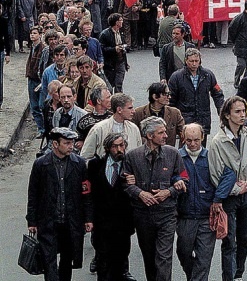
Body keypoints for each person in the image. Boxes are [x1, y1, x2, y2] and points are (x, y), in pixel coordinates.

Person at [123, 116, 186, 281]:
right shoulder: (132, 156)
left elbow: (183, 178)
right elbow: (125, 184)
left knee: (164, 257)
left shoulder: (173, 154)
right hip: (143, 215)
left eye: (165, 132)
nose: (166, 135)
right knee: (149, 256)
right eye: (161, 132)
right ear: (150, 136)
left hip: (167, 214)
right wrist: (140, 193)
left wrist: (169, 191)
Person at [26, 127, 93, 281]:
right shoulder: (41, 164)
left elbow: (86, 193)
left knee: (67, 260)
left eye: (72, 142)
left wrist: (88, 218)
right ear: (55, 144)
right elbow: (33, 194)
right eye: (67, 143)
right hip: (48, 221)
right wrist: (32, 220)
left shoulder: (79, 164)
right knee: (48, 261)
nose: (71, 146)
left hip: (71, 222)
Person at [208, 96, 247, 281]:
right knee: (229, 241)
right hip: (230, 196)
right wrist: (237, 189)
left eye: (243, 111)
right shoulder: (217, 142)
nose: (242, 115)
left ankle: (239, 275)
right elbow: (215, 175)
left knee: (244, 237)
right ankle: (228, 277)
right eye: (237, 112)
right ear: (227, 115)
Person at [87, 133, 136, 281]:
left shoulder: (131, 165)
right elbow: (89, 194)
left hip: (122, 224)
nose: (120, 149)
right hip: (102, 224)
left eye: (122, 145)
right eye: (115, 146)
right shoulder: (95, 166)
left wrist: (134, 183)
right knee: (103, 262)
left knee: (120, 261)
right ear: (108, 148)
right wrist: (89, 218)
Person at [176, 124, 219, 281]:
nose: (193, 144)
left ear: (202, 138)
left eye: (196, 140)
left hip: (206, 216)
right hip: (184, 216)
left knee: (204, 258)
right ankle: (192, 276)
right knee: (183, 252)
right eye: (188, 140)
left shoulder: (211, 156)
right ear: (183, 139)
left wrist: (217, 199)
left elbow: (226, 176)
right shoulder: (177, 157)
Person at [168, 48, 225, 140]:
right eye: (191, 61)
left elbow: (217, 94)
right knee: (185, 147)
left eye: (196, 61)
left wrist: (222, 112)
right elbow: (171, 100)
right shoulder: (176, 77)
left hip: (203, 118)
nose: (194, 64)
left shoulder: (208, 75)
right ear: (186, 61)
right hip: (185, 119)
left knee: (201, 149)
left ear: (200, 61)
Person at [80, 93, 142, 159]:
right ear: (119, 110)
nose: (133, 111)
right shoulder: (99, 129)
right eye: (130, 108)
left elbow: (139, 155)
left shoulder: (134, 129)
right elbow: (85, 156)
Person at [98, 13, 129, 93]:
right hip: (110, 64)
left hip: (120, 61)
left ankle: (118, 100)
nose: (122, 22)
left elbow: (124, 45)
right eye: (120, 20)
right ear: (116, 22)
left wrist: (126, 63)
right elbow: (102, 49)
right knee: (110, 85)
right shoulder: (105, 34)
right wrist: (114, 49)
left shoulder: (120, 33)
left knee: (119, 84)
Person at [75, 85, 112, 150]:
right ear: (99, 101)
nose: (111, 100)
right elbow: (77, 140)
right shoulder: (85, 121)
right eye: (108, 97)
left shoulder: (112, 118)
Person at [25, 25, 45, 135]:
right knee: (34, 105)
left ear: (40, 35)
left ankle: (42, 128)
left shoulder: (42, 48)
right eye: (31, 33)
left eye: (35, 33)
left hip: (38, 79)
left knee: (40, 105)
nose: (32, 35)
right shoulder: (33, 47)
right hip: (31, 78)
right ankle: (40, 128)